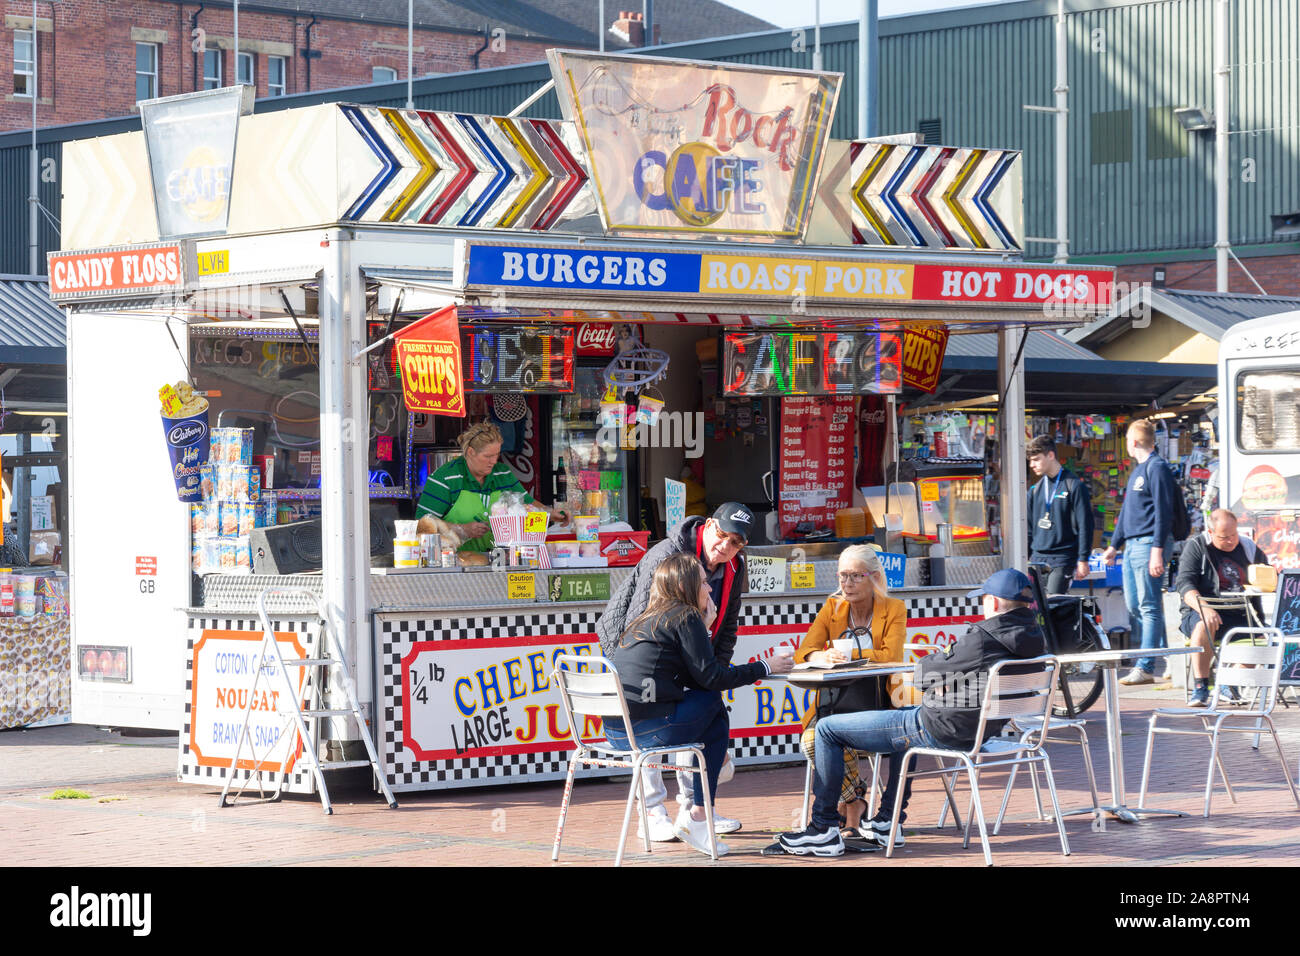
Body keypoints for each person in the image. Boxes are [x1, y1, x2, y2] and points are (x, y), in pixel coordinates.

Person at [777, 569, 1046, 857]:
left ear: (993, 602)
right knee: (903, 723)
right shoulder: (1036, 639)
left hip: (942, 726)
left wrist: (942, 680)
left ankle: (823, 829)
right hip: (982, 730)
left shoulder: (983, 638)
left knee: (826, 729)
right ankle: (887, 821)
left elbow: (923, 674)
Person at [604, 553, 793, 856]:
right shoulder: (684, 616)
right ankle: (699, 813)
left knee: (708, 709)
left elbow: (694, 678)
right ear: (686, 586)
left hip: (615, 733)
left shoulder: (646, 618)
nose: (708, 589)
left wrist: (705, 628)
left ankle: (700, 809)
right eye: (703, 583)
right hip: (647, 731)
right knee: (713, 707)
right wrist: (766, 667)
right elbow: (711, 679)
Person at [596, 502, 755, 841]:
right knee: (651, 708)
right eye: (722, 535)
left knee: (704, 701)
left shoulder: (734, 567)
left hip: (686, 652)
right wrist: (634, 671)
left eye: (736, 542)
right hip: (639, 653)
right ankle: (653, 811)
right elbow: (637, 622)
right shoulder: (668, 554)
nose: (725, 546)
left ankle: (694, 808)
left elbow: (726, 628)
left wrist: (712, 672)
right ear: (709, 525)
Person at [794, 545, 906, 836]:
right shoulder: (833, 607)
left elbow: (891, 654)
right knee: (810, 741)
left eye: (856, 575)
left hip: (880, 708)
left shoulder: (894, 608)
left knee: (828, 738)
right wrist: (821, 657)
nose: (847, 583)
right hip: (836, 705)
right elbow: (804, 651)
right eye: (843, 575)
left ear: (874, 578)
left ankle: (848, 813)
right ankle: (854, 799)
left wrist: (851, 654)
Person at [1102, 419, 1180, 685]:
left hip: (1148, 544)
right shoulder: (1139, 470)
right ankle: (1171, 658)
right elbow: (1126, 513)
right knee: (1136, 606)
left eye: (1126, 441)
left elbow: (1164, 511)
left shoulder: (1156, 468)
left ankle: (1146, 666)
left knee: (1148, 606)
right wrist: (1114, 544)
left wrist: (1158, 549)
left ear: (1133, 442)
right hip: (1133, 545)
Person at [414, 422, 567, 553]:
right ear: (470, 452)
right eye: (487, 456)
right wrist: (462, 529)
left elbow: (528, 504)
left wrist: (552, 514)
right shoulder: (445, 478)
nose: (493, 461)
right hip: (455, 563)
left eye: (497, 455)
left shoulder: (502, 473)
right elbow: (422, 524)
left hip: (499, 560)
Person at [1174, 508, 1271, 706]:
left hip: (1240, 612)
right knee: (1204, 623)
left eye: (1234, 534)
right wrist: (1204, 608)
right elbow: (1184, 585)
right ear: (1211, 533)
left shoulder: (1248, 547)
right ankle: (1201, 686)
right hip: (1201, 611)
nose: (1231, 540)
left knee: (1263, 639)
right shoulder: (1197, 546)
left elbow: (1267, 574)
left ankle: (1228, 683)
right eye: (1224, 537)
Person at [1026, 435, 1095, 595]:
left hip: (1062, 558)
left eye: (1036, 459)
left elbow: (1086, 525)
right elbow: (1029, 528)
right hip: (1037, 559)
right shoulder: (1034, 490)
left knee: (1053, 605)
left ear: (1050, 455)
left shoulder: (1073, 485)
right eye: (1030, 460)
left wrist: (1083, 559)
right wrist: (1026, 558)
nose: (1032, 465)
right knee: (1037, 611)